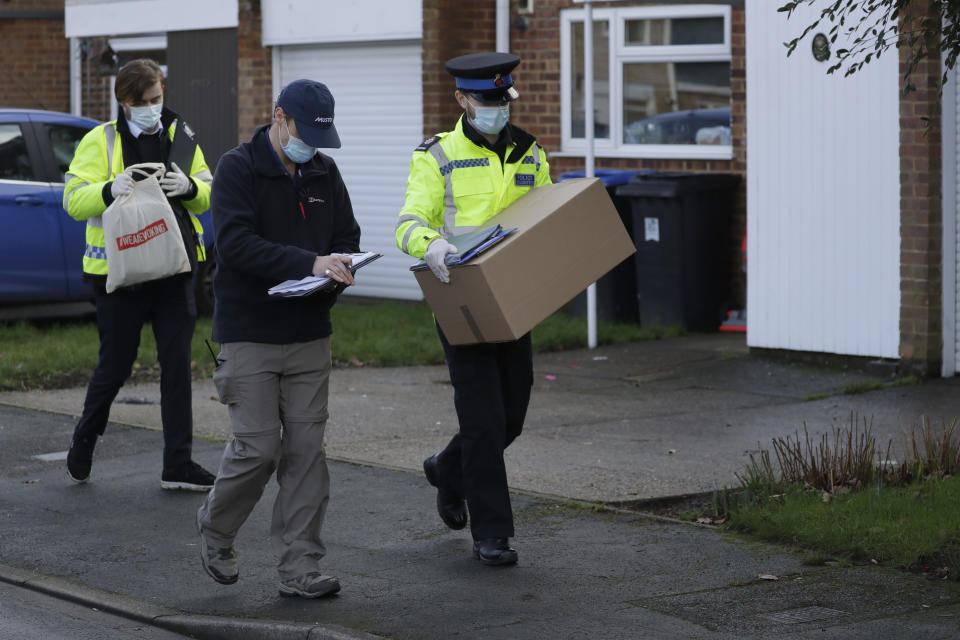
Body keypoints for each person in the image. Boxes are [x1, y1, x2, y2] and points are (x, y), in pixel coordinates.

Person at [195, 79, 360, 598]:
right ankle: (217, 529)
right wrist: (308, 263)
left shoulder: (324, 172)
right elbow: (237, 245)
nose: (309, 145)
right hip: (249, 335)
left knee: (307, 453)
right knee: (259, 449)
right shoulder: (236, 168)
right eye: (303, 132)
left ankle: (301, 569)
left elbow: (346, 238)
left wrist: (334, 275)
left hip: (310, 335)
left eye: (319, 136)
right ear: (278, 117)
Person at [395, 52, 551, 566]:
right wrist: (430, 245)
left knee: (511, 418)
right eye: (486, 101)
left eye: (503, 100)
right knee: (482, 419)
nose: (498, 111)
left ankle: (446, 467)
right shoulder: (436, 155)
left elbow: (546, 216)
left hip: (513, 298)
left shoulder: (531, 152)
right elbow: (409, 222)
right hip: (460, 298)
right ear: (461, 99)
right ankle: (493, 533)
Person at [64, 58, 216, 491]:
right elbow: (74, 201)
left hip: (174, 269)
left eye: (158, 98)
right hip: (121, 275)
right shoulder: (102, 140)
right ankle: (85, 438)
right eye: (144, 101)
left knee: (176, 367)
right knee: (115, 366)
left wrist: (189, 188)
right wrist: (110, 188)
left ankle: (178, 464)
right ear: (124, 101)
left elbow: (207, 190)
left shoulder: (180, 134)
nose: (153, 108)